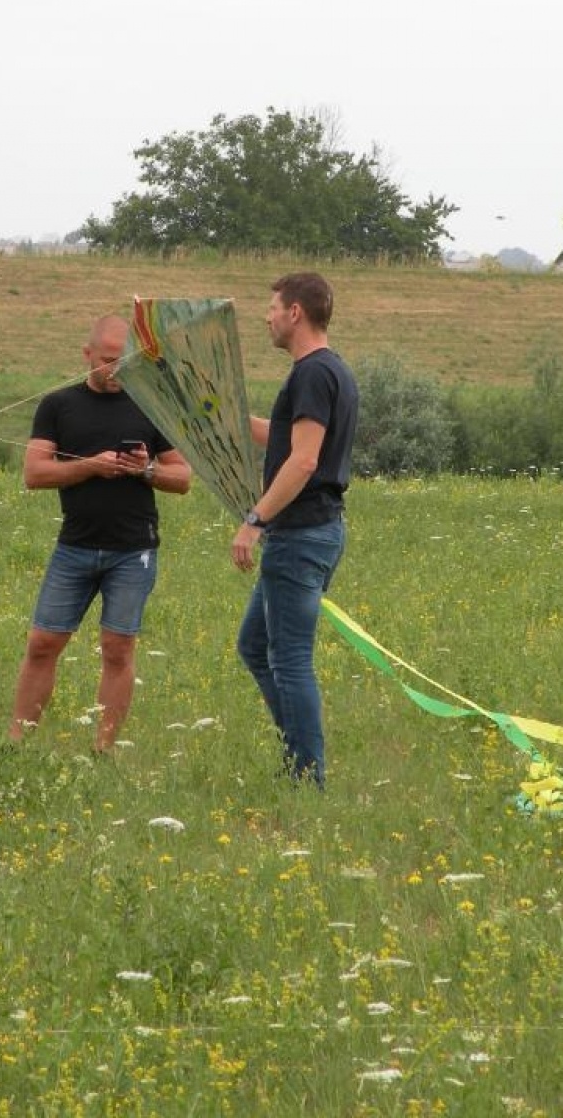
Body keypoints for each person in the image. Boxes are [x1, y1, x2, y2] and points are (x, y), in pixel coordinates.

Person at [9, 314, 192, 753]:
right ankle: (16, 744)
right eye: (108, 359)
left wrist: (144, 470)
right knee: (42, 643)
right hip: (74, 547)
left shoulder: (149, 404)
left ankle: (103, 749)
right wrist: (90, 466)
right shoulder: (57, 406)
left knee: (117, 649)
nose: (116, 369)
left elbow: (182, 477)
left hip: (133, 551)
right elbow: (34, 473)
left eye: (124, 360)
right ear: (87, 355)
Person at [231, 272, 359, 786]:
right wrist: (221, 414)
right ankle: (299, 756)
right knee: (255, 646)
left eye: (272, 307)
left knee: (289, 662)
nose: (267, 317)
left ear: (296, 313)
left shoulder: (311, 374)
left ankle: (307, 776)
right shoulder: (331, 371)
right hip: (314, 533)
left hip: (300, 535)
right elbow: (285, 440)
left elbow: (303, 462)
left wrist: (254, 520)